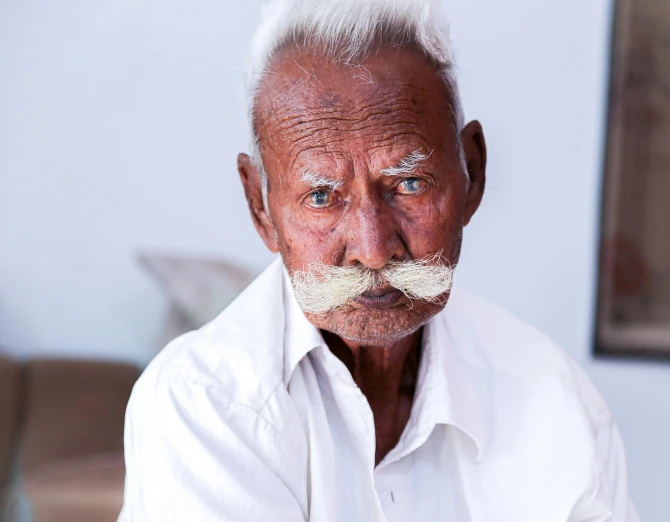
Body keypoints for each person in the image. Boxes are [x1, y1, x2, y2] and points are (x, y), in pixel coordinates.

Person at [119, 0, 640, 520]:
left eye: (408, 184)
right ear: (261, 207)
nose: (372, 248)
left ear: (471, 175)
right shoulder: (204, 406)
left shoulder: (553, 399)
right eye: (322, 196)